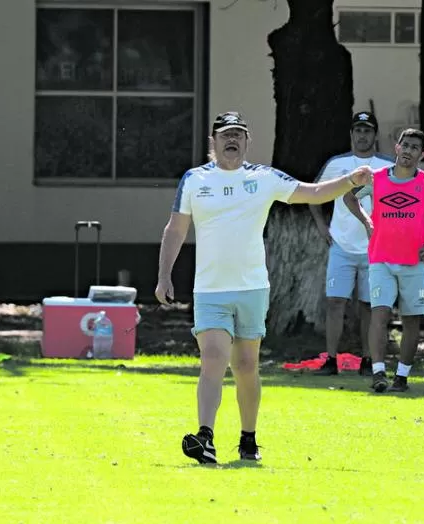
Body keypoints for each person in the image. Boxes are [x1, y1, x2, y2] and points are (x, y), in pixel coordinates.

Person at [156, 111, 373, 464]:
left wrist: (350, 180)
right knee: (212, 358)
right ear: (213, 142)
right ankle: (206, 436)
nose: (232, 140)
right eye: (226, 135)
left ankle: (248, 437)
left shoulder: (264, 178)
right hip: (210, 290)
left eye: (239, 135)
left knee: (245, 366)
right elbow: (175, 230)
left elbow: (312, 193)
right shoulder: (194, 180)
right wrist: (165, 275)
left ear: (247, 142)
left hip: (252, 288)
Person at [342, 128, 424, 393]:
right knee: (379, 315)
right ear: (396, 148)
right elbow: (348, 197)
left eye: (414, 147)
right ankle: (378, 373)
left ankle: (402, 377)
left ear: (422, 154)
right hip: (381, 260)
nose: (408, 151)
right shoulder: (376, 179)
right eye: (404, 145)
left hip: (414, 263)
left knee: (411, 320)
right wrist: (366, 220)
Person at [310, 111, 395, 376]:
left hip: (374, 248)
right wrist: (323, 227)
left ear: (375, 135)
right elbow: (314, 193)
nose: (362, 136)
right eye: (358, 130)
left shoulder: (386, 165)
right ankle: (331, 359)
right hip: (342, 245)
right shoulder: (337, 163)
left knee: (368, 306)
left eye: (367, 131)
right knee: (335, 302)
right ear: (351, 134)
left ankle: (369, 359)